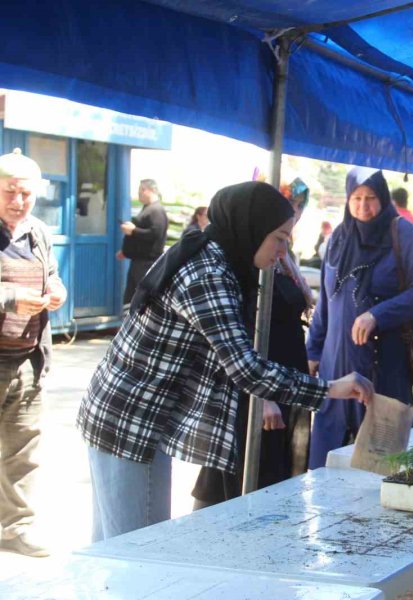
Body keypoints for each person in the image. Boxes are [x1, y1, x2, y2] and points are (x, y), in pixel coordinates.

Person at [78, 181, 373, 541]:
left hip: (141, 420)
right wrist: (329, 389)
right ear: (252, 228)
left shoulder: (220, 261)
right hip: (127, 419)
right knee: (132, 550)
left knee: (132, 545)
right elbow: (244, 368)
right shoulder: (209, 273)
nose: (282, 251)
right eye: (279, 238)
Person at [192, 179, 316, 507]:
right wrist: (261, 397)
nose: (296, 213)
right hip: (257, 385)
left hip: (281, 376)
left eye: (300, 206)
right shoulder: (227, 270)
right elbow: (236, 344)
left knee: (278, 480)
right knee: (237, 485)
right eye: (290, 206)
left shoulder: (279, 255)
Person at [306, 168, 413, 469]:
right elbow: (327, 301)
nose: (363, 206)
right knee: (327, 464)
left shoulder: (403, 234)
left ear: (384, 198)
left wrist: (377, 314)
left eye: (371, 198)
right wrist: (313, 350)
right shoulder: (339, 237)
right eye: (356, 198)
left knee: (380, 464)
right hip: (335, 368)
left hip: (383, 366)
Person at [0, 149, 67, 558]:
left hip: (27, 361)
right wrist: (10, 298)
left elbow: (53, 274)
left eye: (26, 194)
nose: (19, 201)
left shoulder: (38, 231)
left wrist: (58, 290)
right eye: (10, 191)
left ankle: (14, 529)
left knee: (22, 450)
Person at [118, 179, 169, 305]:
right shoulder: (148, 209)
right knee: (131, 297)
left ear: (151, 190)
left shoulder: (156, 211)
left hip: (147, 263)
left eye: (142, 189)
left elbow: (154, 234)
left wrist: (134, 230)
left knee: (142, 298)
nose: (139, 193)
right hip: (138, 261)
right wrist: (126, 250)